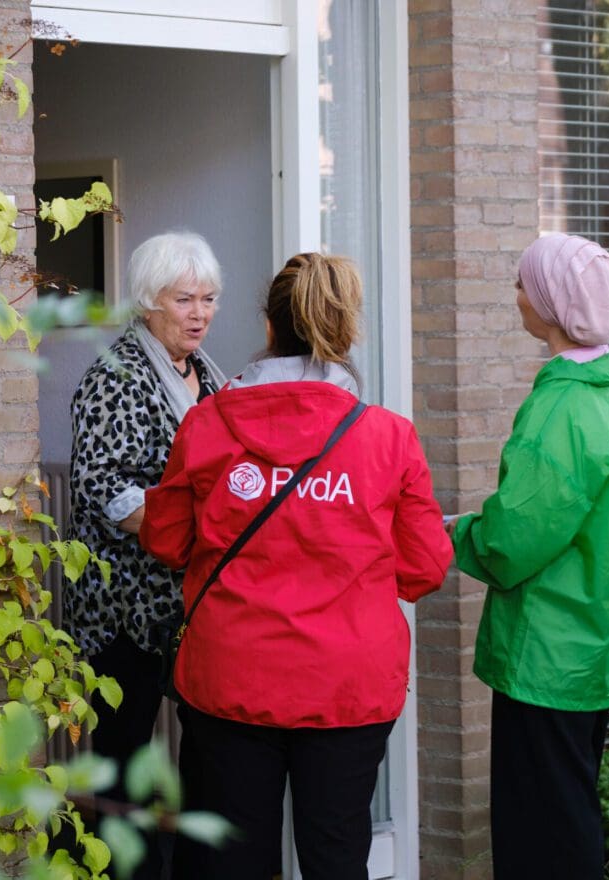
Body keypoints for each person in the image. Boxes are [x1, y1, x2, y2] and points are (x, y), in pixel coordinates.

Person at [140, 253, 452, 879]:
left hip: (232, 679)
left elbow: (166, 541)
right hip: (348, 686)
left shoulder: (207, 425)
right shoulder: (388, 437)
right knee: (337, 855)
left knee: (231, 861)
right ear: (344, 331)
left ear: (268, 327)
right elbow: (424, 569)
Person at [448, 233, 609, 879]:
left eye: (523, 284)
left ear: (549, 305)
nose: (517, 295)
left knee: (541, 833)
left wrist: (455, 534)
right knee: (572, 807)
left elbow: (513, 537)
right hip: (604, 635)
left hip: (547, 652)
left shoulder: (561, 407)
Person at [63, 230, 228, 879]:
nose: (200, 313)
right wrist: (191, 530)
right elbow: (104, 486)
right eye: (184, 298)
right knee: (127, 754)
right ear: (146, 301)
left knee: (207, 749)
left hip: (184, 601)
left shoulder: (209, 373)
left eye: (209, 298)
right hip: (121, 605)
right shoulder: (116, 375)